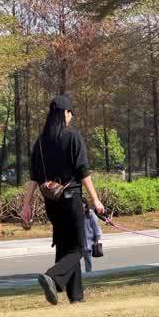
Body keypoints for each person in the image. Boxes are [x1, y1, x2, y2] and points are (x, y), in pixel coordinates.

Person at [25, 94, 105, 305]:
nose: (71, 117)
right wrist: (95, 199)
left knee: (64, 246)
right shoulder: (73, 137)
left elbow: (34, 177)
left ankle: (76, 297)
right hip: (71, 199)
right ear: (65, 113)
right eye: (70, 113)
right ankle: (52, 277)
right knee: (78, 247)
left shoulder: (40, 142)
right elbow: (83, 172)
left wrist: (26, 205)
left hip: (52, 202)